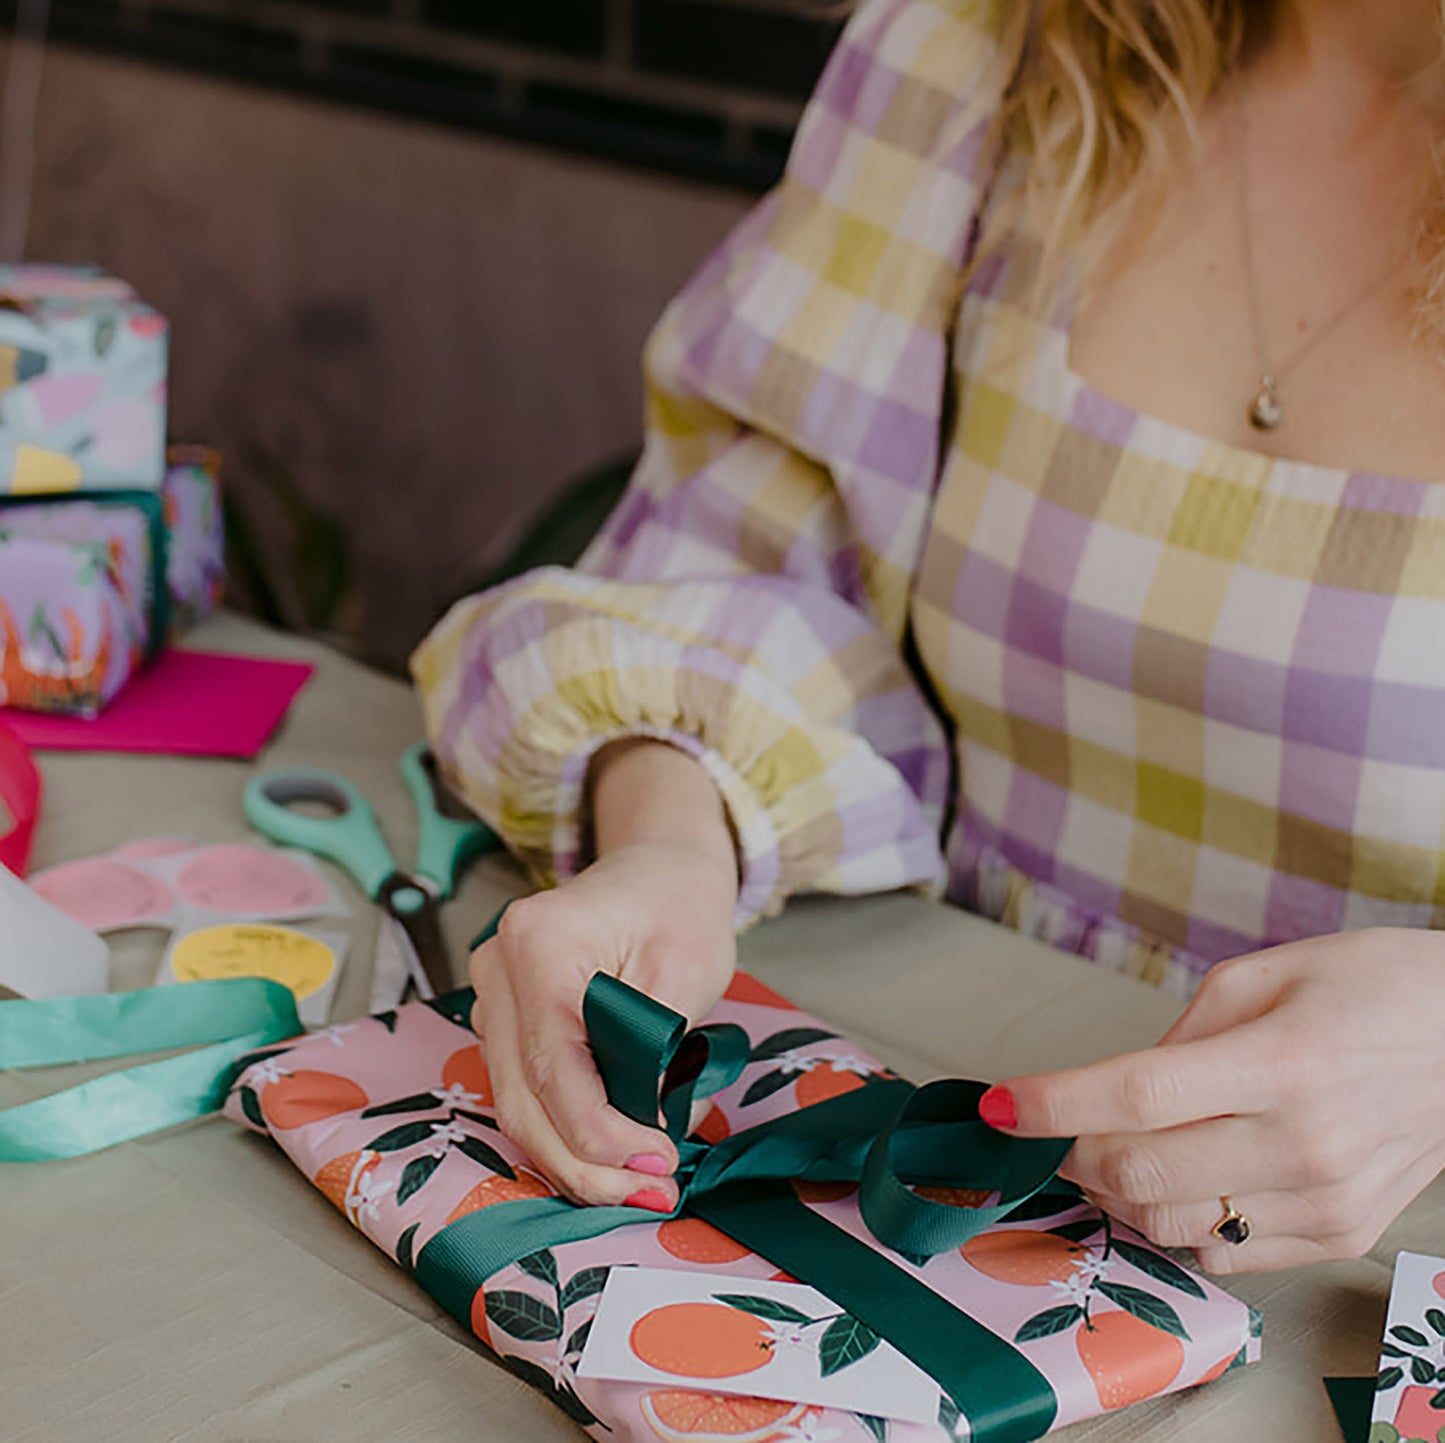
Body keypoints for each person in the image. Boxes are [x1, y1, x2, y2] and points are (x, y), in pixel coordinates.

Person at [412, 0, 1445, 1274]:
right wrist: (671, 837)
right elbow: (761, 542)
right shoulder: (983, 53)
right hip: (925, 1097)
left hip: (1371, 1262)